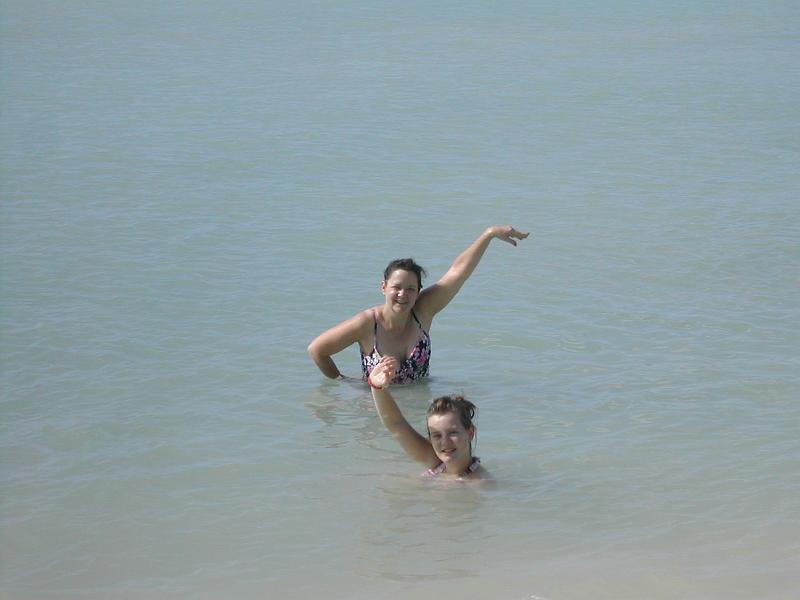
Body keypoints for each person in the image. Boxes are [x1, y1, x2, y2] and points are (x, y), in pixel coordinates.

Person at [307, 225, 528, 384]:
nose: (403, 294)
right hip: (377, 411)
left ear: (419, 291)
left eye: (411, 289)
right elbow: (317, 350)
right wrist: (344, 383)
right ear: (384, 287)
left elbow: (457, 272)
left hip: (419, 407)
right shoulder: (367, 324)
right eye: (396, 287)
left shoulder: (423, 311)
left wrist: (488, 235)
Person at [368, 356, 488, 480]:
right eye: (437, 435)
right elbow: (396, 424)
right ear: (430, 439)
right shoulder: (435, 460)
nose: (445, 442)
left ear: (470, 433)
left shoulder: (479, 483)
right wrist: (376, 387)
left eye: (452, 433)